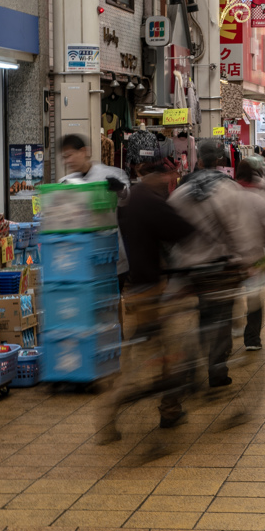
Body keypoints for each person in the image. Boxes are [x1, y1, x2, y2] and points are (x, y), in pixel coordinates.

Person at [102, 137, 196, 439]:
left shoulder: (130, 202)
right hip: (154, 293)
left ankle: (117, 415)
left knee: (139, 357)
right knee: (170, 354)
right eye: (169, 175)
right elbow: (184, 231)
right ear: (156, 175)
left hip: (134, 290)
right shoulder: (151, 202)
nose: (172, 180)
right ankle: (166, 410)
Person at [169, 139, 265, 385]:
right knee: (219, 320)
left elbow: (168, 227)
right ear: (220, 161)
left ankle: (187, 369)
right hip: (219, 269)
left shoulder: (182, 189)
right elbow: (241, 230)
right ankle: (217, 372)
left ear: (198, 159)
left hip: (185, 268)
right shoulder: (228, 189)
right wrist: (250, 262)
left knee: (194, 317)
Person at [61, 133, 130, 285]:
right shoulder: (65, 183)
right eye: (64, 157)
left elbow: (127, 198)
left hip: (110, 255)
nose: (68, 161)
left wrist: (120, 189)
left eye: (70, 155)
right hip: (82, 258)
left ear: (84, 151)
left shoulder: (110, 175)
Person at [235, 158, 265, 350]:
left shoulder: (228, 193)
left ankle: (227, 336)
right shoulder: (260, 194)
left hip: (230, 256)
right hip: (255, 256)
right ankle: (252, 339)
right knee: (254, 296)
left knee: (231, 295)